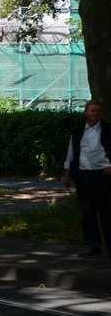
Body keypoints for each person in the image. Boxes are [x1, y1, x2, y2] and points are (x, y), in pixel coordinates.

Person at [63, 99, 111, 258]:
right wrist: (67, 173)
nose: (95, 114)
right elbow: (71, 152)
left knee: (106, 213)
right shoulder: (77, 131)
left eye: (97, 111)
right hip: (83, 176)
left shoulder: (107, 130)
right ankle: (92, 246)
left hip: (103, 176)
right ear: (86, 113)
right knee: (87, 213)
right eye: (92, 111)